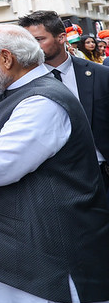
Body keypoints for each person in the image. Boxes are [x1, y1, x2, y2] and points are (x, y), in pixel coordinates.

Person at [0, 25, 109, 303]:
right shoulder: (23, 93)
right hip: (20, 250)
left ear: (6, 59)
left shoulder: (41, 102)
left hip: (45, 260)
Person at [18, 11, 109, 198]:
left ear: (61, 38)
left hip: (101, 175)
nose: (32, 48)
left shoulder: (101, 75)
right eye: (28, 42)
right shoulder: (22, 83)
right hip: (53, 182)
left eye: (39, 40)